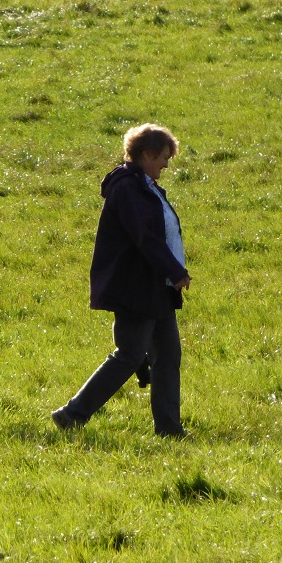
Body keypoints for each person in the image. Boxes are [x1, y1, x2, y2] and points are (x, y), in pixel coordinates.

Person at [52, 123, 190, 437]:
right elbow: (145, 237)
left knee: (167, 356)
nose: (167, 164)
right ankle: (72, 413)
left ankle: (169, 428)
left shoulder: (144, 185)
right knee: (130, 354)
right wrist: (175, 271)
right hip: (136, 287)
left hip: (156, 288)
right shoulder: (129, 188)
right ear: (147, 153)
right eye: (164, 157)